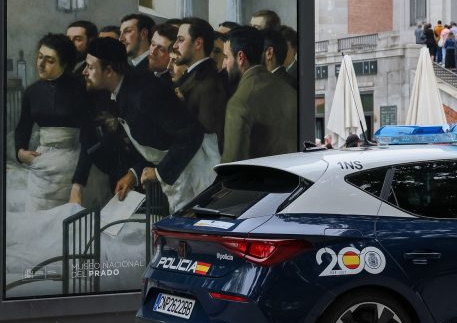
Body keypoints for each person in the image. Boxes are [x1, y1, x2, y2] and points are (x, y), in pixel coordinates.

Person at [81, 37, 211, 212]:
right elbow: (157, 142)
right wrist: (134, 174)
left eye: (89, 67)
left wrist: (159, 173)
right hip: (178, 174)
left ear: (109, 70)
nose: (84, 72)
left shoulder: (144, 95)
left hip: (194, 170)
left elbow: (191, 133)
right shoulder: (122, 93)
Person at [14, 34, 95, 210]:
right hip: (41, 162)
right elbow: (23, 127)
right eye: (40, 57)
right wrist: (20, 152)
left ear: (64, 64)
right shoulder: (32, 92)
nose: (41, 64)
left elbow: (90, 137)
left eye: (49, 60)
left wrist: (78, 184)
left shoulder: (80, 89)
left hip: (72, 164)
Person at [221, 27, 299, 163]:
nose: (223, 65)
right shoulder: (289, 91)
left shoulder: (240, 101)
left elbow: (232, 165)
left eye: (226, 57)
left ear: (240, 57)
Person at [173, 17, 228, 152]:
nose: (174, 46)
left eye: (180, 40)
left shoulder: (209, 83)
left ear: (198, 43)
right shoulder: (191, 76)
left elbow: (209, 141)